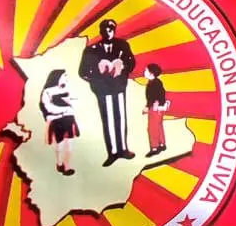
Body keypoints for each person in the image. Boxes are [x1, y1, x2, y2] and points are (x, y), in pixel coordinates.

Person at [78, 19, 136, 167]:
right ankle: (113, 152)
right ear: (101, 31)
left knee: (120, 118)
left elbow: (131, 63)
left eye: (111, 29)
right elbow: (83, 72)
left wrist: (121, 68)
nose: (108, 32)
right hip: (103, 90)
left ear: (114, 30)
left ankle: (123, 149)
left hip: (118, 87)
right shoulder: (91, 49)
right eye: (105, 29)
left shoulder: (123, 45)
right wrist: (97, 75)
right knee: (108, 121)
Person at [39, 70, 78, 176]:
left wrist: (70, 105)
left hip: (69, 119)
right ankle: (59, 163)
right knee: (59, 143)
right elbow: (47, 107)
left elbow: (74, 101)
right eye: (64, 75)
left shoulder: (67, 89)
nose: (66, 77)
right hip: (57, 120)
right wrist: (63, 110)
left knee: (70, 144)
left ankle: (67, 165)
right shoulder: (47, 91)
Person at [143, 63, 170, 157]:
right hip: (156, 108)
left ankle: (155, 148)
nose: (144, 72)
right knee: (158, 126)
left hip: (155, 108)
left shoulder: (155, 83)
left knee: (152, 128)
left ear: (151, 73)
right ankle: (162, 144)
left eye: (146, 70)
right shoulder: (154, 82)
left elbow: (158, 95)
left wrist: (152, 105)